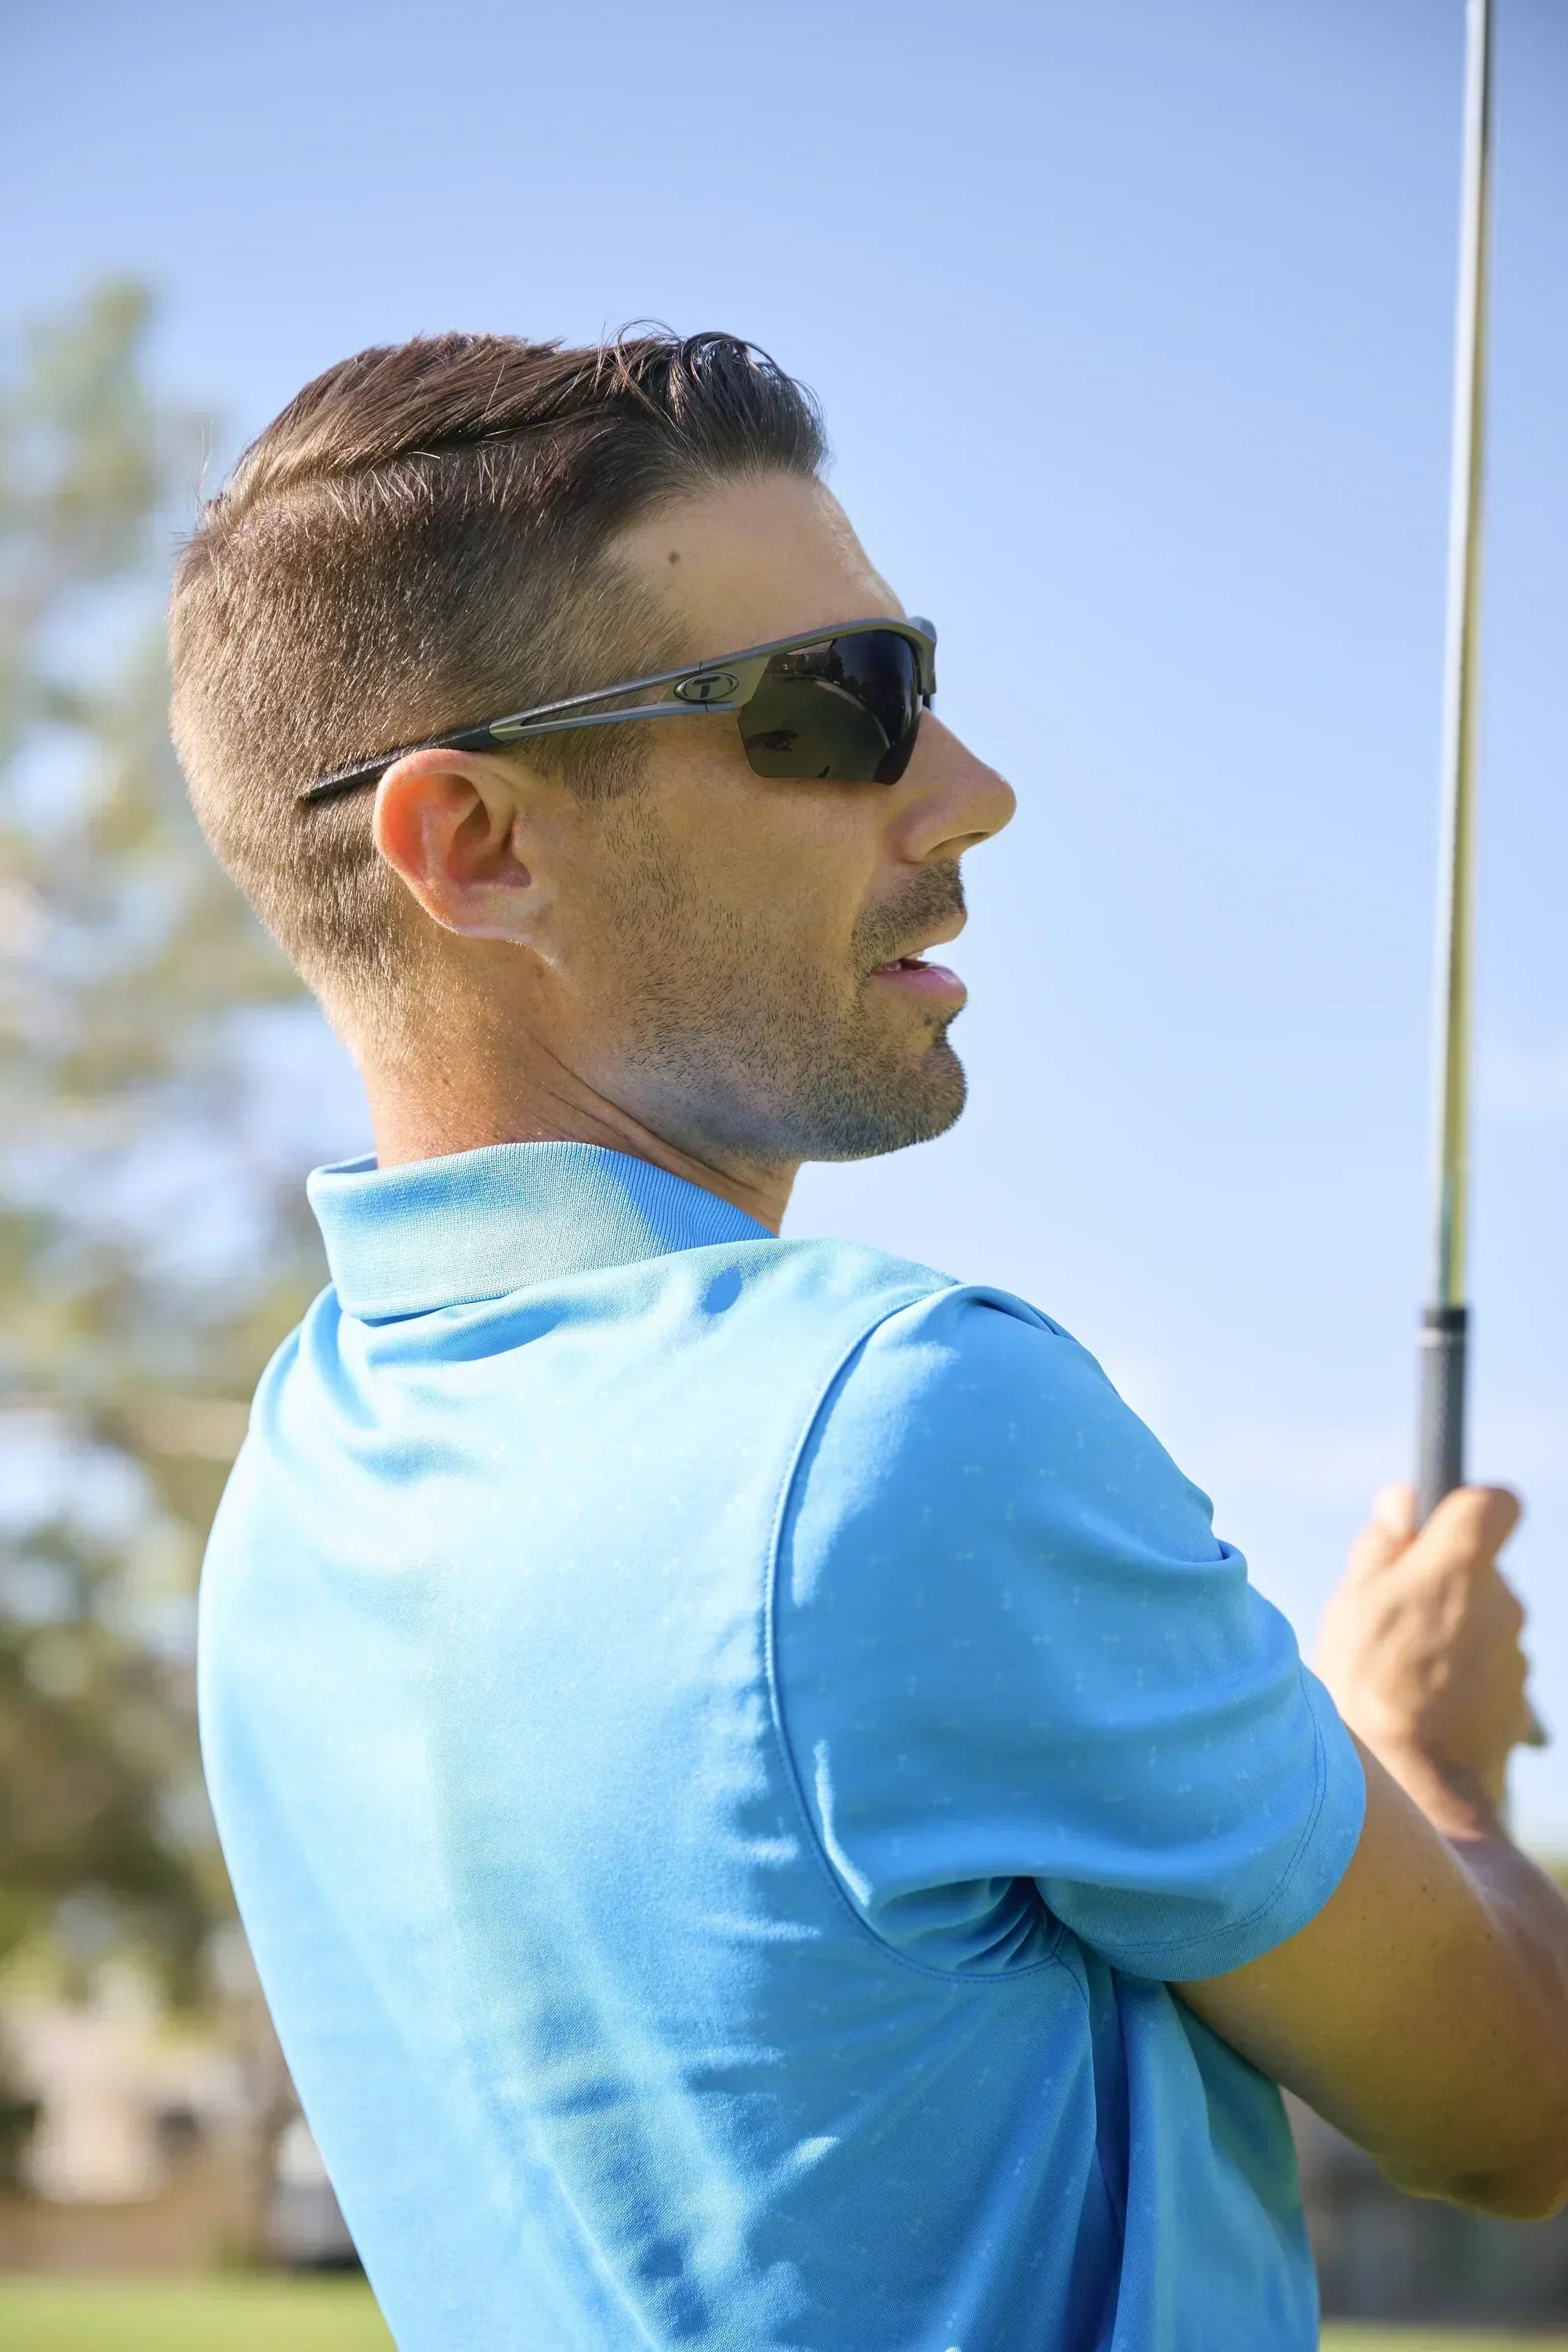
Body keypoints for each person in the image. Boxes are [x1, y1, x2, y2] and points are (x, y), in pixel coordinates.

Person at [171, 331, 1568, 2352]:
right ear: (475, 844)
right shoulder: (902, 1418)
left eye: (920, 673)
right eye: (842, 705)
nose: (973, 790)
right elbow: (1514, 2112)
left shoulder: (296, 1485)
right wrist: (1426, 1757)